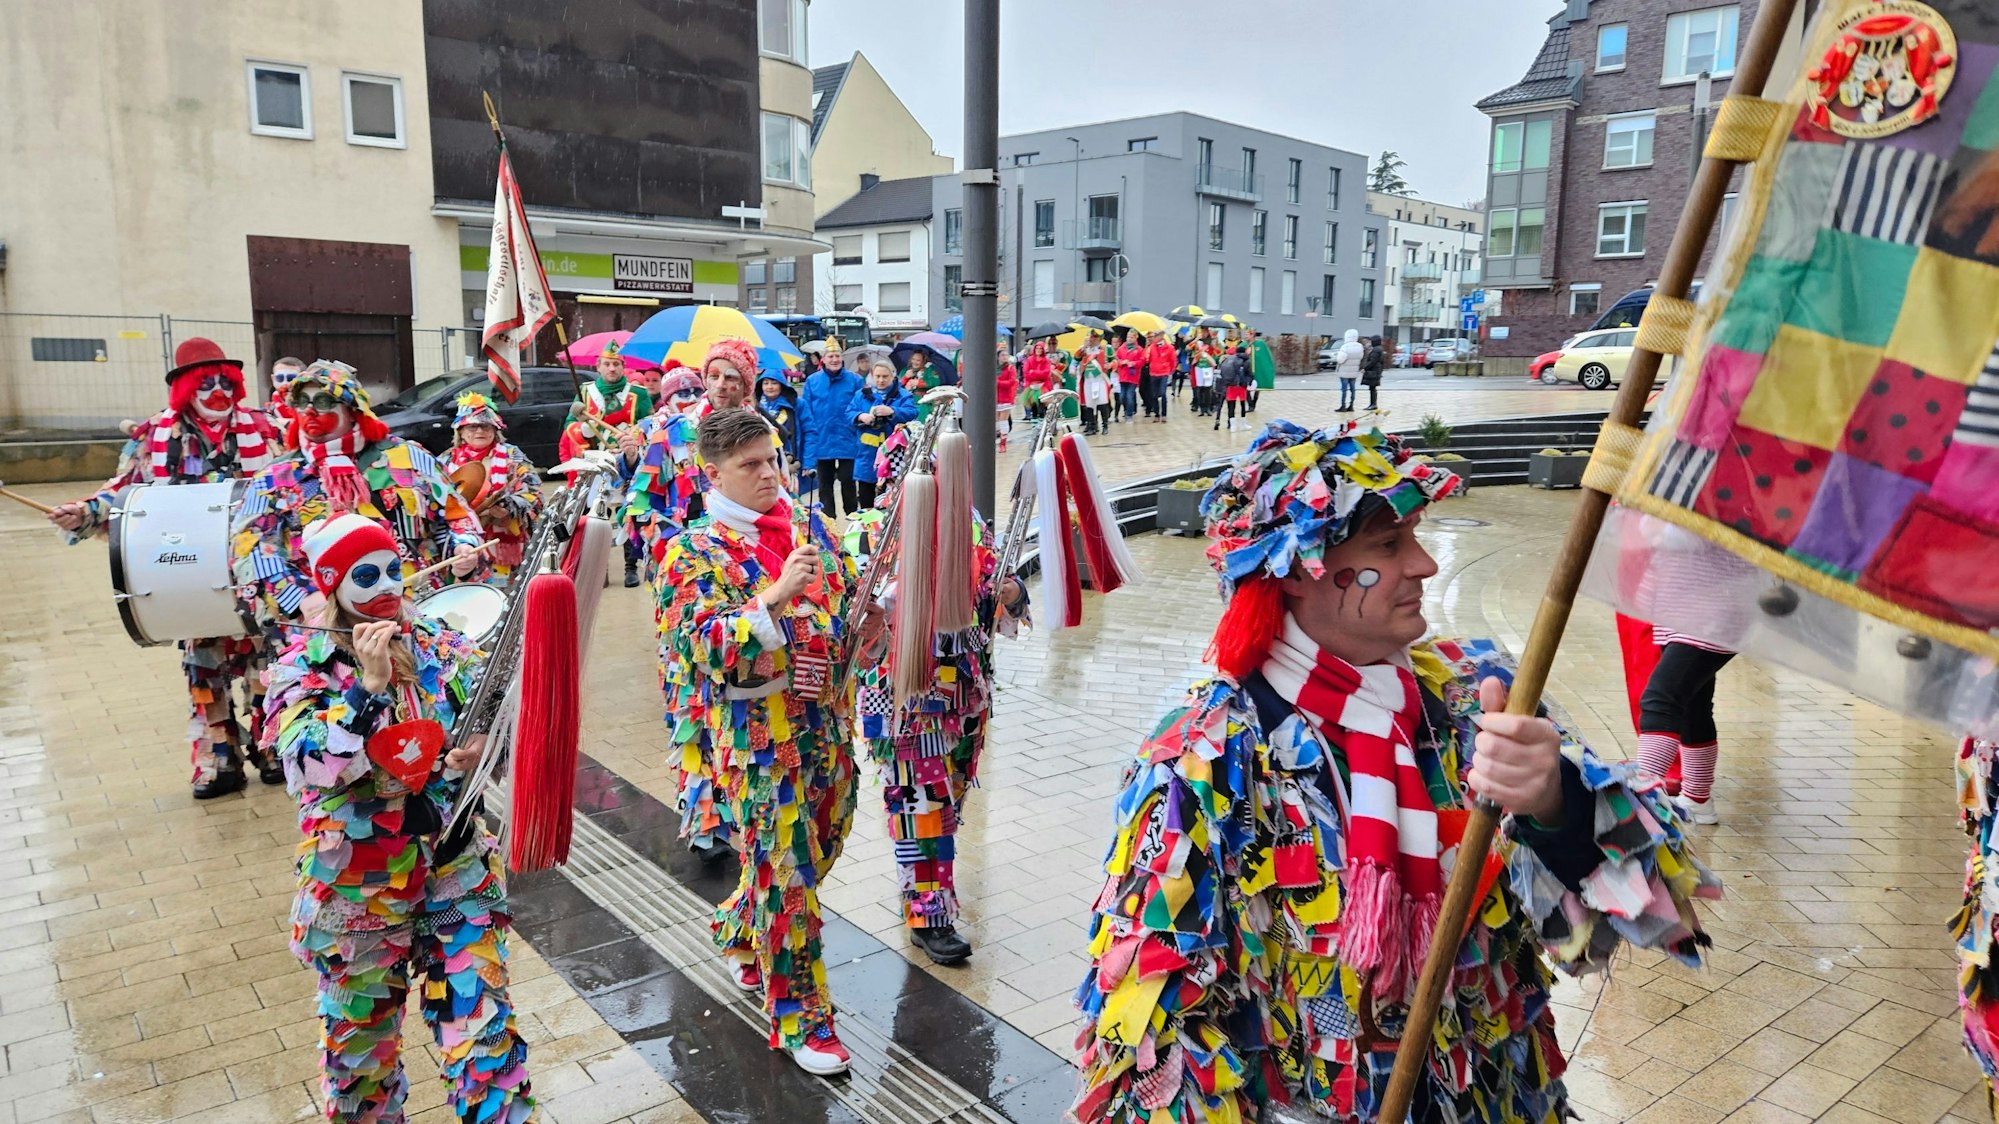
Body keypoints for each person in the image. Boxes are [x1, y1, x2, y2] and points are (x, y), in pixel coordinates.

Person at [1072, 418, 1719, 1124]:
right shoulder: (1205, 752)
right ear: (1295, 569)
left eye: (1413, 538)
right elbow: (1150, 1024)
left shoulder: (1481, 695)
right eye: (1389, 544)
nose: (1424, 565)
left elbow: (1656, 909)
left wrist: (1553, 800)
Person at [266, 513, 534, 1124]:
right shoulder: (298, 668)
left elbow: (495, 707)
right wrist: (368, 687)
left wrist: (483, 743)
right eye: (365, 574)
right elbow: (307, 764)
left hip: (455, 871)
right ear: (333, 584)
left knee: (483, 1028)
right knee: (361, 1055)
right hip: (358, 890)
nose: (385, 584)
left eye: (392, 568)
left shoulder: (440, 641)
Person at [656, 407, 861, 1075]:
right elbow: (703, 645)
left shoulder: (809, 527)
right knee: (787, 876)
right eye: (751, 465)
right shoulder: (689, 550)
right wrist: (772, 598)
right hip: (757, 742)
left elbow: (847, 599)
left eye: (773, 459)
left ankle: (742, 929)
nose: (770, 473)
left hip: (826, 725)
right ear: (711, 474)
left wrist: (873, 611)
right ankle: (801, 1014)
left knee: (823, 842)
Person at [48, 337, 283, 797]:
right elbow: (122, 493)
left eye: (225, 382)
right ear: (185, 388)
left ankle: (271, 748)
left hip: (254, 572)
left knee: (267, 665)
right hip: (188, 578)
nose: (217, 391)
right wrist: (84, 512)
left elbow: (293, 483)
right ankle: (220, 760)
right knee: (204, 670)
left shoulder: (264, 428)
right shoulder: (155, 436)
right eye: (206, 382)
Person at [846, 427, 1028, 965]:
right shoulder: (870, 531)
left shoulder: (971, 529)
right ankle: (930, 912)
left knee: (948, 801)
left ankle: (922, 885)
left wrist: (1011, 594)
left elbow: (1002, 592)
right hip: (903, 695)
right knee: (918, 804)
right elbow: (855, 618)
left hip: (966, 695)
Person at [234, 360, 485, 629]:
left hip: (416, 616)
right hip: (325, 629)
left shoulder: (410, 458)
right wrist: (302, 599)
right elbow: (251, 550)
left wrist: (464, 548)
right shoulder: (274, 477)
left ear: (351, 407)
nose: (309, 411)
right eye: (301, 402)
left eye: (322, 401)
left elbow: (455, 514)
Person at [443, 393, 542, 584]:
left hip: (505, 544)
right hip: (463, 546)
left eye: (486, 426)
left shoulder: (512, 456)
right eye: (473, 426)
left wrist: (510, 508)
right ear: (461, 431)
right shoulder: (446, 461)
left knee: (506, 602)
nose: (480, 431)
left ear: (495, 430)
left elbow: (534, 494)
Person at [560, 340, 653, 463]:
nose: (612, 368)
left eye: (616, 364)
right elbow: (569, 424)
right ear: (598, 367)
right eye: (607, 364)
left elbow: (651, 426)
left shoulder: (639, 393)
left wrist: (634, 435)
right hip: (595, 461)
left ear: (623, 367)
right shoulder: (585, 391)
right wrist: (583, 430)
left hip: (628, 460)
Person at [800, 348, 866, 519]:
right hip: (822, 440)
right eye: (831, 356)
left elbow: (863, 404)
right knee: (824, 485)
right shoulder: (812, 381)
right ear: (823, 359)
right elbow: (806, 410)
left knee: (848, 481)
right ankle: (829, 523)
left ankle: (852, 519)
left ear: (842, 358)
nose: (834, 359)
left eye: (837, 356)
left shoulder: (855, 380)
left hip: (848, 439)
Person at [850, 361, 918, 508]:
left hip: (893, 457)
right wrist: (861, 416)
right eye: (878, 376)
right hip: (867, 455)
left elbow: (913, 413)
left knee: (891, 503)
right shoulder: (862, 395)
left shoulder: (903, 395)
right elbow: (849, 413)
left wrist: (892, 411)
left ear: (892, 376)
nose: (881, 380)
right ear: (872, 376)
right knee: (866, 502)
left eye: (885, 376)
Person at [756, 372, 802, 487]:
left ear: (782, 384)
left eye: (774, 383)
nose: (769, 387)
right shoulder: (756, 406)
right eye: (765, 383)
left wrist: (808, 462)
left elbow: (809, 432)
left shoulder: (797, 404)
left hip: (793, 459)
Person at [1078, 341, 1114, 435]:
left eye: (1094, 337)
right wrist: (1083, 347)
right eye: (1090, 337)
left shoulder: (1105, 348)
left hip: (1099, 378)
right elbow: (1076, 357)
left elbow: (1114, 360)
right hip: (1088, 378)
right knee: (1089, 404)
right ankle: (1092, 426)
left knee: (1102, 402)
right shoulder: (1084, 349)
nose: (1092, 339)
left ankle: (1105, 425)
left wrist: (1111, 365)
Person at [902, 347, 945, 421]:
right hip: (908, 403)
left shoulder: (930, 369)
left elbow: (936, 382)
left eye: (918, 360)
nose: (914, 362)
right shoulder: (906, 370)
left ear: (924, 361)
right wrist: (905, 377)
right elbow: (897, 386)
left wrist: (919, 383)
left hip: (925, 405)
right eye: (913, 359)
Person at [1216, 343, 1250, 432]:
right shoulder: (1245, 360)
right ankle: (1243, 424)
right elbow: (1248, 373)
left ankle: (1232, 426)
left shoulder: (1228, 359)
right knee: (1242, 404)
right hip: (1241, 386)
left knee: (1231, 405)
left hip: (1230, 385)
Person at [269, 355, 306, 434]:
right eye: (280, 378)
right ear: (273, 379)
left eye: (291, 378)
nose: (285, 383)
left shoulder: (310, 406)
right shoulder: (268, 411)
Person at [1145, 331, 1176, 423]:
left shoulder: (1169, 348)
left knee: (1162, 393)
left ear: (1162, 336)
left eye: (1156, 336)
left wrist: (1169, 371)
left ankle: (1164, 414)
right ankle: (1156, 414)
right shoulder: (1151, 347)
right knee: (1154, 395)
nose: (1155, 338)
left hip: (1164, 373)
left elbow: (1173, 361)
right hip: (1154, 373)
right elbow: (1147, 358)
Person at [1021, 340, 1054, 422]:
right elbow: (1026, 373)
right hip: (1031, 387)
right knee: (1033, 408)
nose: (1038, 350)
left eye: (1040, 348)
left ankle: (1042, 426)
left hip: (1043, 386)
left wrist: (1034, 372)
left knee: (1042, 407)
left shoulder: (1046, 361)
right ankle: (1035, 426)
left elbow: (1046, 374)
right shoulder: (1029, 360)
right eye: (1037, 348)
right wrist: (1038, 374)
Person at [1115, 333, 1144, 422]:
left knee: (1129, 396)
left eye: (1132, 337)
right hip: (1123, 376)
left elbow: (1142, 361)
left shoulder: (1139, 349)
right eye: (1128, 337)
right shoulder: (1121, 348)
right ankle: (1126, 409)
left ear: (1135, 338)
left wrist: (1133, 363)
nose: (1129, 339)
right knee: (1122, 397)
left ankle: (1129, 414)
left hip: (1133, 377)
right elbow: (1116, 359)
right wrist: (1122, 362)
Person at [995, 344, 1019, 449]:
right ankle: (998, 437)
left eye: (1006, 355)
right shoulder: (995, 368)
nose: (1005, 357)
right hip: (995, 398)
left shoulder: (1010, 368)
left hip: (1006, 398)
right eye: (1002, 355)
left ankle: (1003, 443)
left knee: (1003, 420)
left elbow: (1011, 382)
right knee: (996, 420)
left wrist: (998, 383)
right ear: (998, 357)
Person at [1189, 332, 1218, 417]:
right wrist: (1196, 339)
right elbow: (1187, 348)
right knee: (1200, 389)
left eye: (1205, 331)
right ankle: (1202, 409)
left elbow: (1218, 353)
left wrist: (1214, 341)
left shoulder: (1210, 343)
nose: (1203, 334)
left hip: (1208, 367)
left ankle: (1208, 408)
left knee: (1208, 389)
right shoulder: (1197, 343)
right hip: (1198, 368)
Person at [1337, 329, 1363, 412]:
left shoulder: (1345, 346)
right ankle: (1351, 405)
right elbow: (1361, 357)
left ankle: (1343, 406)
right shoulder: (1360, 346)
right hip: (1354, 371)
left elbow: (1340, 360)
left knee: (1344, 389)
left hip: (1344, 371)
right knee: (1353, 389)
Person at [1361, 334, 1387, 411]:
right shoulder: (1380, 349)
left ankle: (1373, 404)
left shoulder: (1375, 350)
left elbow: (1372, 361)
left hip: (1373, 371)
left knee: (1372, 388)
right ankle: (1373, 404)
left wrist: (1365, 368)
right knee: (1373, 388)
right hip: (1377, 371)